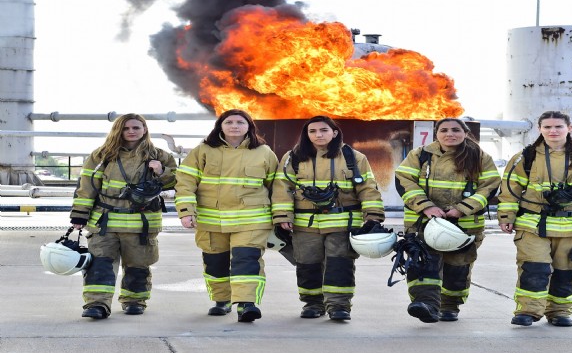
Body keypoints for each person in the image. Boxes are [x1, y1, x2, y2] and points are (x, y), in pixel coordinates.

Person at [497, 110, 572, 327]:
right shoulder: (526, 157)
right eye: (547, 127)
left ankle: (560, 312)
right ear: (539, 129)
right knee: (534, 268)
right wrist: (506, 216)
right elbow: (509, 189)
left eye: (558, 126)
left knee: (565, 271)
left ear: (570, 128)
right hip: (533, 226)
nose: (553, 131)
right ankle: (528, 312)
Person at [271, 116, 385, 321]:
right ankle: (313, 304)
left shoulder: (354, 157)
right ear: (306, 135)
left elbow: (368, 187)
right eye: (312, 131)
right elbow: (282, 188)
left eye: (324, 130)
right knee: (307, 265)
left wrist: (373, 216)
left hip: (342, 223)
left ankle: (339, 306)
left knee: (340, 265)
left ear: (334, 132)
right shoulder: (293, 157)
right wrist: (282, 216)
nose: (318, 135)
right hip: (305, 225)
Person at [174, 109, 278, 323]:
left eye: (240, 122)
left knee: (247, 261)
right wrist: (186, 212)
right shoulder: (203, 150)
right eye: (229, 122)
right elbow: (185, 183)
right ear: (220, 126)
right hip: (211, 220)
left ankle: (247, 305)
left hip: (251, 219)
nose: (234, 126)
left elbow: (275, 187)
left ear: (249, 126)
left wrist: (280, 216)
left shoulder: (264, 152)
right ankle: (222, 301)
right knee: (215, 263)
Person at [69, 113, 177, 319]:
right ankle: (97, 304)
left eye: (136, 127)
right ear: (118, 130)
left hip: (141, 225)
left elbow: (175, 184)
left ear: (144, 130)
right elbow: (86, 188)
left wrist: (162, 171)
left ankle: (135, 301)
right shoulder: (101, 156)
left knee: (138, 265)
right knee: (100, 264)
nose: (131, 132)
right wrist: (79, 215)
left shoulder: (159, 156)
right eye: (126, 128)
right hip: (104, 222)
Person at [394, 118, 501, 323]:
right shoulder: (420, 155)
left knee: (457, 268)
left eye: (455, 130)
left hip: (464, 225)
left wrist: (462, 209)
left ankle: (450, 306)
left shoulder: (480, 157)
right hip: (423, 223)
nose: (449, 134)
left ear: (465, 132)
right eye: (444, 130)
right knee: (423, 263)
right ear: (436, 133)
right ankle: (426, 304)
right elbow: (404, 181)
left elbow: (489, 186)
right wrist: (426, 206)